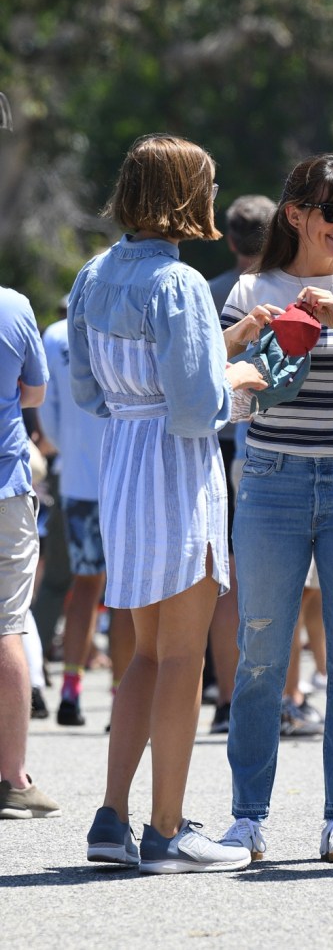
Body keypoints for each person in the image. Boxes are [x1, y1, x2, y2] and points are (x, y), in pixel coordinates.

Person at [69, 133, 269, 873]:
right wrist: (242, 377)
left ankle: (111, 816)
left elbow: (90, 390)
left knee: (145, 654)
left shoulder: (92, 275)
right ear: (187, 195)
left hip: (123, 462)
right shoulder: (180, 282)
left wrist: (221, 348)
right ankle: (166, 828)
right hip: (175, 471)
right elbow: (194, 409)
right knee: (184, 655)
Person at [219, 152, 333, 864]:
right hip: (270, 479)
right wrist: (249, 352)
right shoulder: (250, 288)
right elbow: (232, 396)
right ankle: (246, 817)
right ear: (295, 213)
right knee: (261, 654)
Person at [206, 195, 276, 736]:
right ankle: (286, 696)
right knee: (278, 577)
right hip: (273, 444)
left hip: (222, 445)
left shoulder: (212, 292)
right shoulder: (286, 289)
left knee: (226, 575)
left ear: (230, 239)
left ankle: (228, 697)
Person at [0, 286, 61, 821]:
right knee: (7, 626)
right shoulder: (14, 306)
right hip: (3, 489)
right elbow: (35, 394)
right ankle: (13, 779)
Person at [40, 310, 108, 727]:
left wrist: (68, 451)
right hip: (127, 480)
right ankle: (124, 697)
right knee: (130, 596)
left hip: (78, 480)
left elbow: (47, 414)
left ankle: (71, 690)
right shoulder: (129, 320)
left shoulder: (55, 334)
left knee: (85, 586)